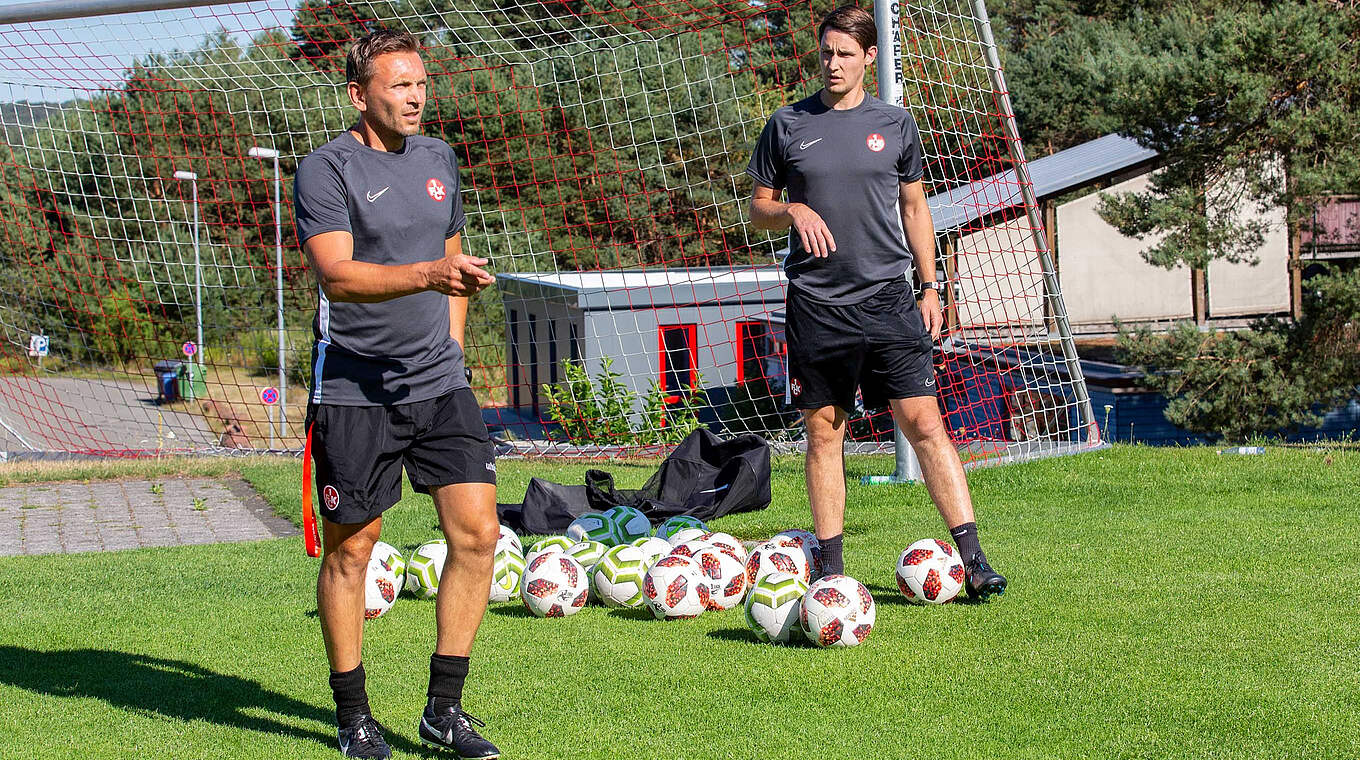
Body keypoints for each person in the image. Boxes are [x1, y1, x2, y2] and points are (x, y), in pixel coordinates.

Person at [746, 5, 1007, 598]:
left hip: (889, 299)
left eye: (845, 53)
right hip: (817, 302)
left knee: (924, 424)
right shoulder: (787, 124)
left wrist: (930, 285)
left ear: (869, 58)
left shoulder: (895, 124)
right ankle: (831, 572)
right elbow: (758, 210)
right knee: (824, 433)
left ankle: (973, 559)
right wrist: (791, 207)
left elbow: (915, 210)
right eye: (826, 53)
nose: (833, 64)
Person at [293, 29, 501, 759]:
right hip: (355, 387)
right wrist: (427, 278)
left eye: (420, 83)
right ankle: (353, 716)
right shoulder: (325, 170)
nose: (415, 97)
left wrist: (452, 344)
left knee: (478, 535)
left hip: (439, 383)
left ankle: (444, 711)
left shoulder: (440, 158)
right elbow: (338, 276)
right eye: (398, 85)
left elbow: (452, 259)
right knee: (356, 550)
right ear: (360, 94)